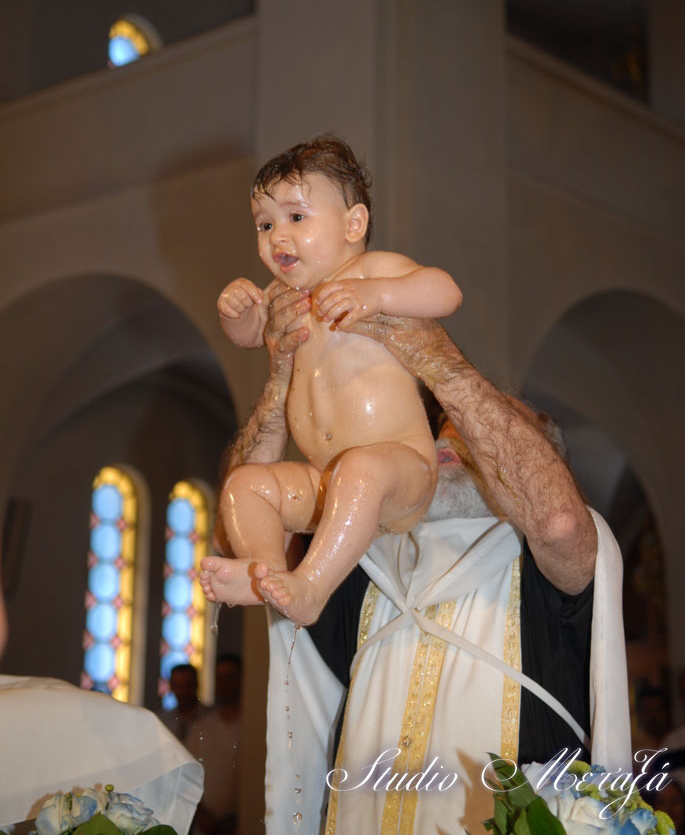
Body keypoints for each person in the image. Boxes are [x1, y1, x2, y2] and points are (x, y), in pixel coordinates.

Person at [208, 290, 632, 834]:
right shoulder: (358, 556)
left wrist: (443, 367)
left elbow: (558, 524)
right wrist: (280, 380)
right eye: (444, 427)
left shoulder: (548, 574)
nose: (452, 436)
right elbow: (236, 539)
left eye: (488, 430)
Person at [200, 136, 461, 625]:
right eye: (265, 224)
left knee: (360, 470)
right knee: (246, 485)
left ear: (353, 225)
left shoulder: (370, 272)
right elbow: (249, 335)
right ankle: (266, 571)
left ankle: (313, 587)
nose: (277, 237)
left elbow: (445, 291)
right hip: (326, 482)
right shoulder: (282, 294)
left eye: (296, 217)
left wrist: (378, 296)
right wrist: (237, 311)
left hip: (399, 470)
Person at [186, 654, 242, 835]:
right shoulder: (202, 727)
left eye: (230, 678)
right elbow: (188, 774)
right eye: (220, 678)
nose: (225, 684)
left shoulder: (254, 726)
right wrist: (202, 815)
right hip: (206, 826)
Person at [157, 662, 207, 745]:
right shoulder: (163, 721)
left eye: (187, 685)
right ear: (172, 687)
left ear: (196, 685)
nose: (182, 692)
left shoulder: (208, 718)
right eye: (177, 686)